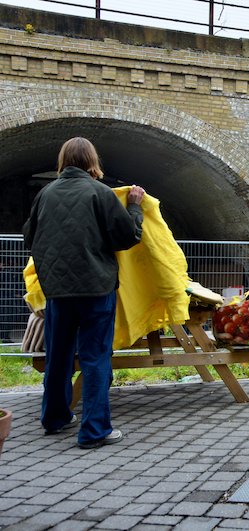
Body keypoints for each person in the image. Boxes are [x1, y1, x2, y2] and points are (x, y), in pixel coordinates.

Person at [23, 137, 145, 449]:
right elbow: (127, 236)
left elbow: (29, 238)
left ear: (63, 161)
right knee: (94, 358)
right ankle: (94, 430)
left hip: (57, 291)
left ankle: (54, 418)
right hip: (96, 289)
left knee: (58, 357)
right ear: (93, 162)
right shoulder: (100, 193)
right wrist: (134, 206)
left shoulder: (45, 195)